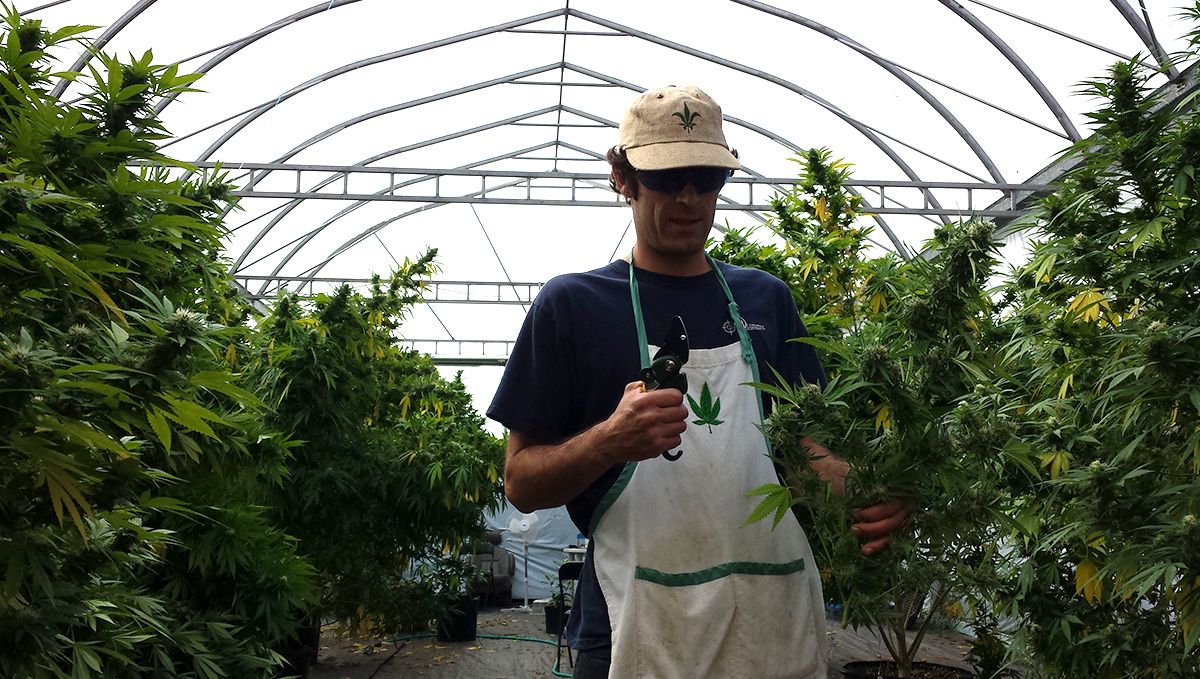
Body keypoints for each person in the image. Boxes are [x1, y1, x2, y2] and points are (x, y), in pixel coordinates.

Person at [487, 85, 906, 679]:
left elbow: (803, 453)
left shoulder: (768, 300)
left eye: (708, 179)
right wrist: (611, 438)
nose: (689, 199)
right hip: (634, 623)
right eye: (667, 177)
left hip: (770, 621)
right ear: (621, 176)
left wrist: (873, 493)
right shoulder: (572, 307)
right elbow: (521, 485)